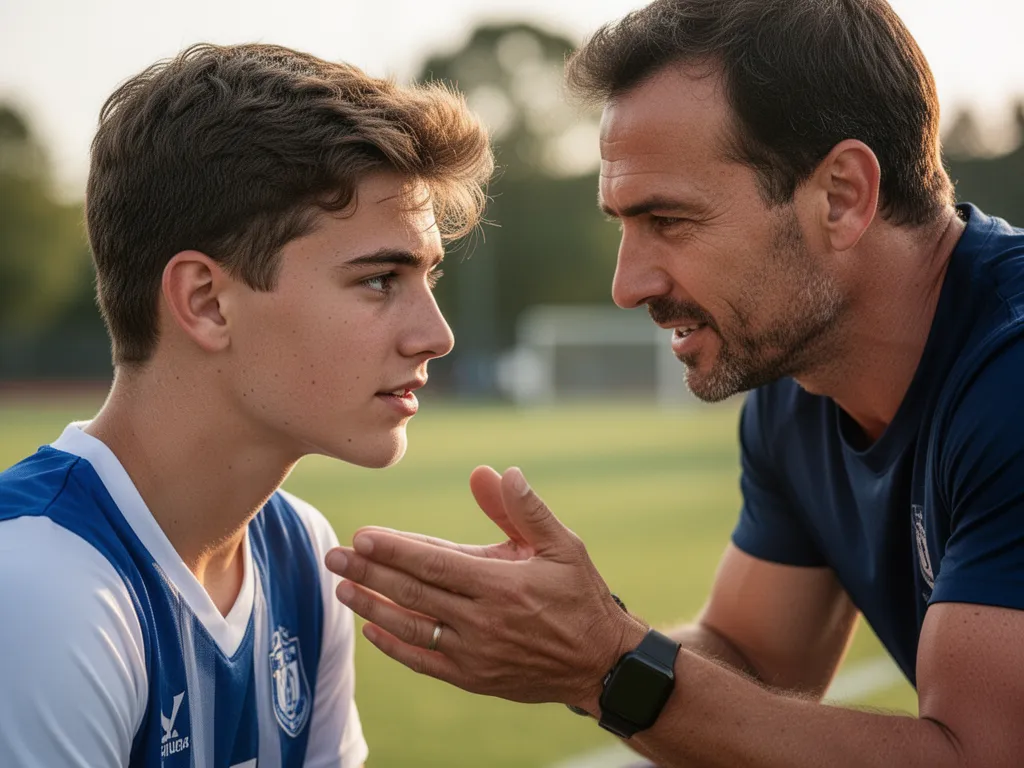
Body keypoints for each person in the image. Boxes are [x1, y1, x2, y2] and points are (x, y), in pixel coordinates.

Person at [324, 0, 1024, 765]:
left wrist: (605, 661)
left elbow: (978, 756)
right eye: (621, 224)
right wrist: (563, 639)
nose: (628, 284)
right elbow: (751, 658)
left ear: (842, 196)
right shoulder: (800, 385)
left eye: (670, 220)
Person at [0, 42, 491, 768]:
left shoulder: (298, 556)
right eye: (381, 280)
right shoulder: (41, 585)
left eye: (429, 278)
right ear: (205, 302)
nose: (437, 335)